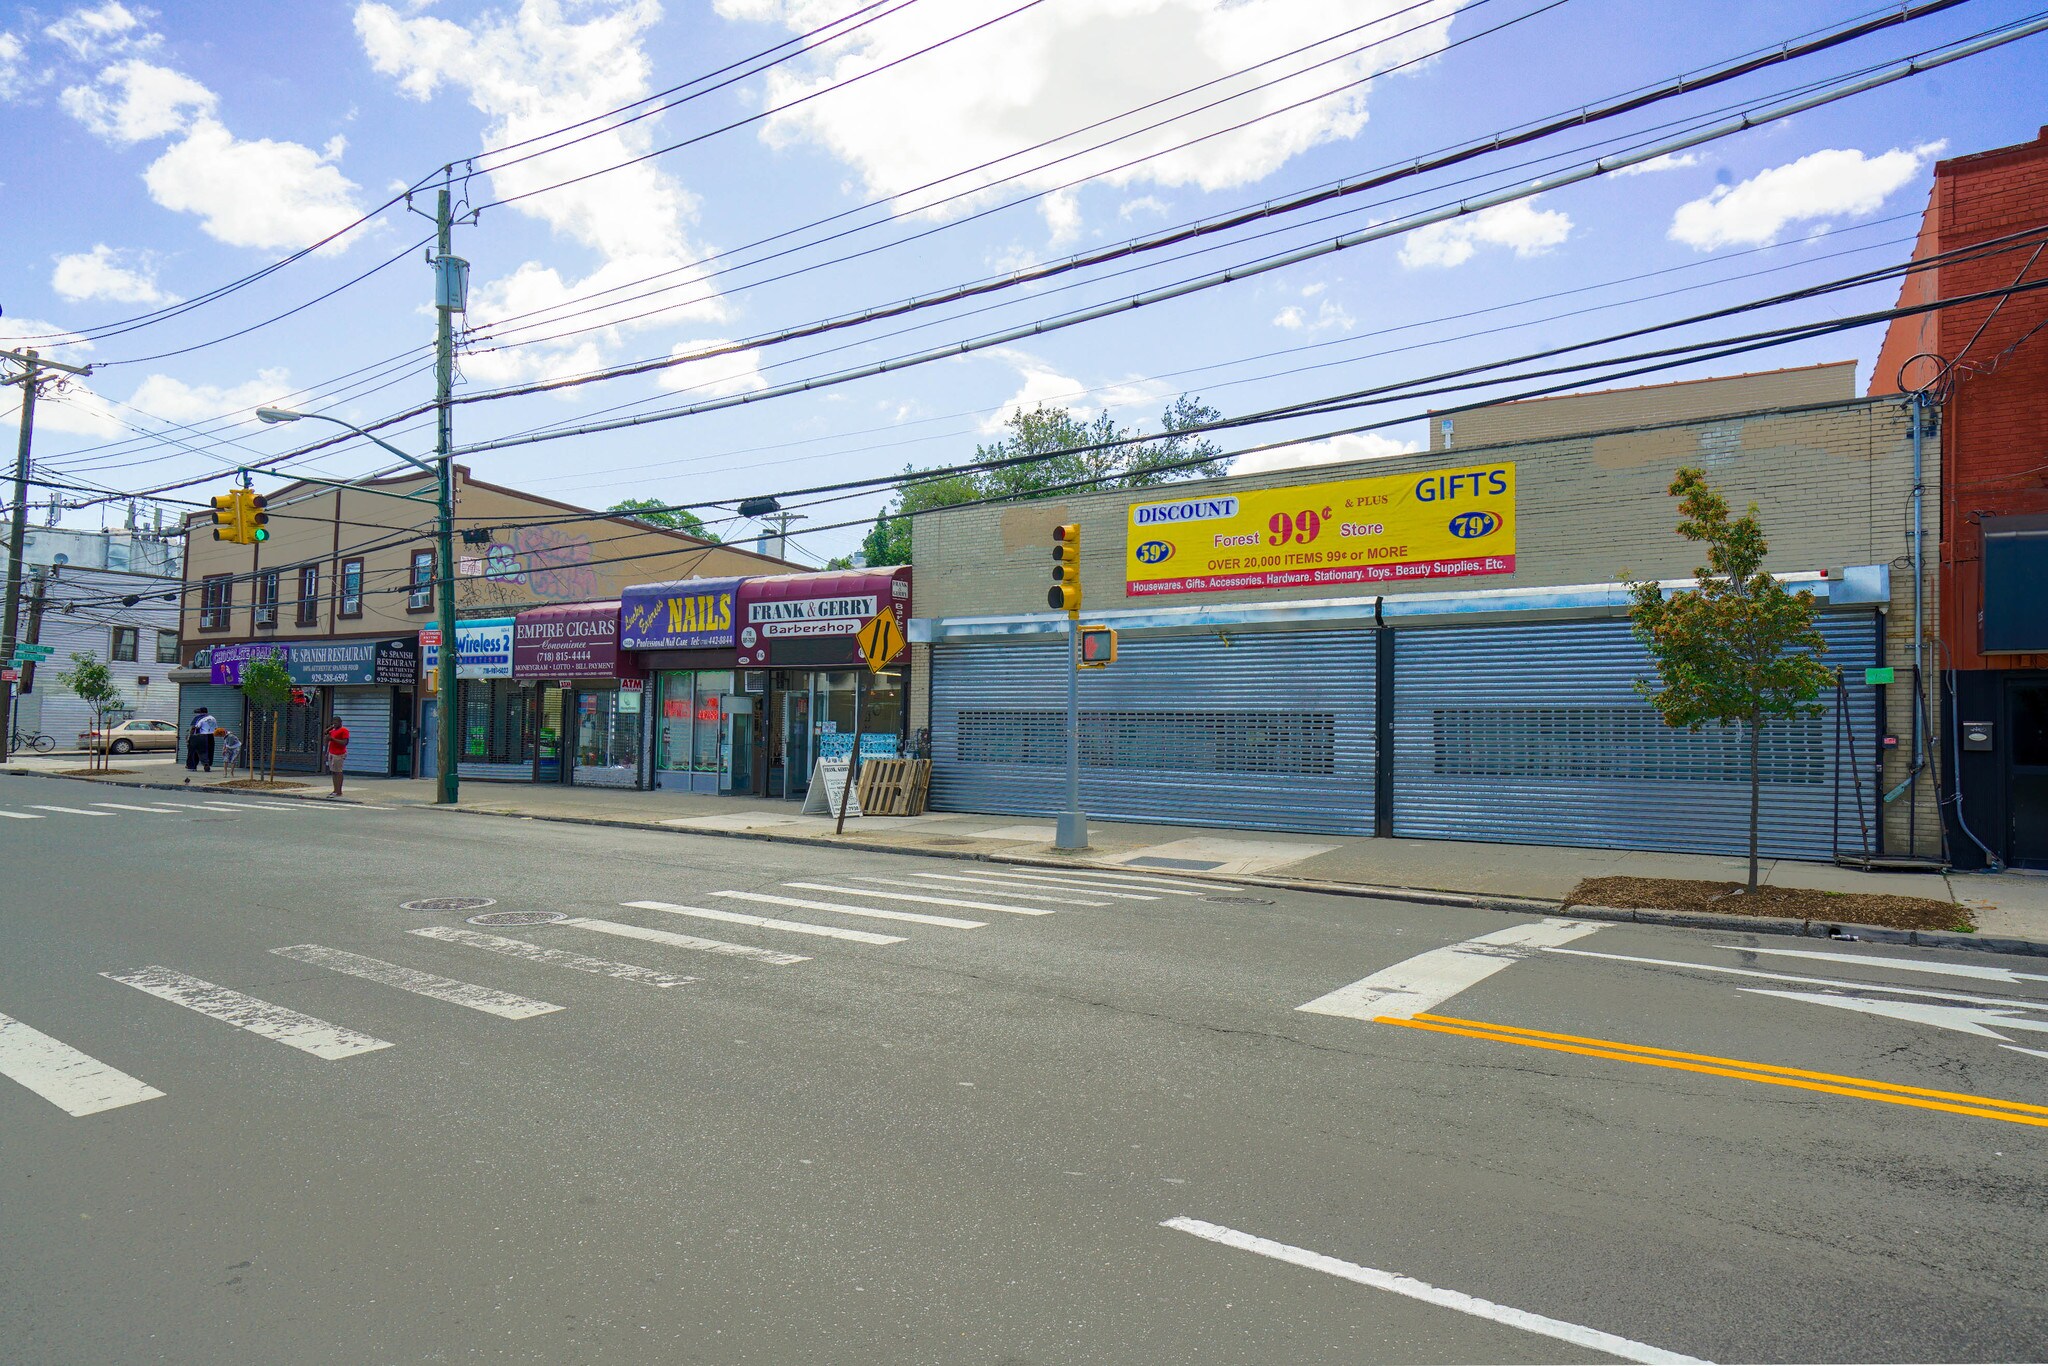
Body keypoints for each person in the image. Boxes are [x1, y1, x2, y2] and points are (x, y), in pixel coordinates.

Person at [186, 707, 217, 773]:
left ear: (200, 712)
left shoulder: (199, 718)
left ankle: (193, 766)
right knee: (208, 751)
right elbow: (215, 728)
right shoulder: (213, 718)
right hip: (211, 736)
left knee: (195, 750)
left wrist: (190, 737)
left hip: (201, 736)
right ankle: (207, 764)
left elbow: (194, 728)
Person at [324, 719, 350, 798]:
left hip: (339, 754)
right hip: (331, 753)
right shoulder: (332, 731)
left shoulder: (344, 730)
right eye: (333, 722)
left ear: (340, 722)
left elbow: (344, 743)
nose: (334, 724)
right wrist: (329, 729)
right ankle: (335, 790)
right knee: (333, 772)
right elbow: (326, 736)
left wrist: (333, 739)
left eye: (336, 722)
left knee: (338, 771)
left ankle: (339, 791)